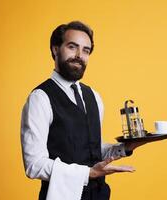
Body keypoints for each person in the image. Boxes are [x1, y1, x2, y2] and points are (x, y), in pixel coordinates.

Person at [21, 21, 144, 200]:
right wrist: (88, 173)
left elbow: (93, 148)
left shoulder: (94, 96)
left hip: (100, 195)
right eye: (72, 47)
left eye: (86, 50)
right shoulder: (40, 98)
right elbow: (34, 165)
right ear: (55, 49)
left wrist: (124, 148)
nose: (79, 55)